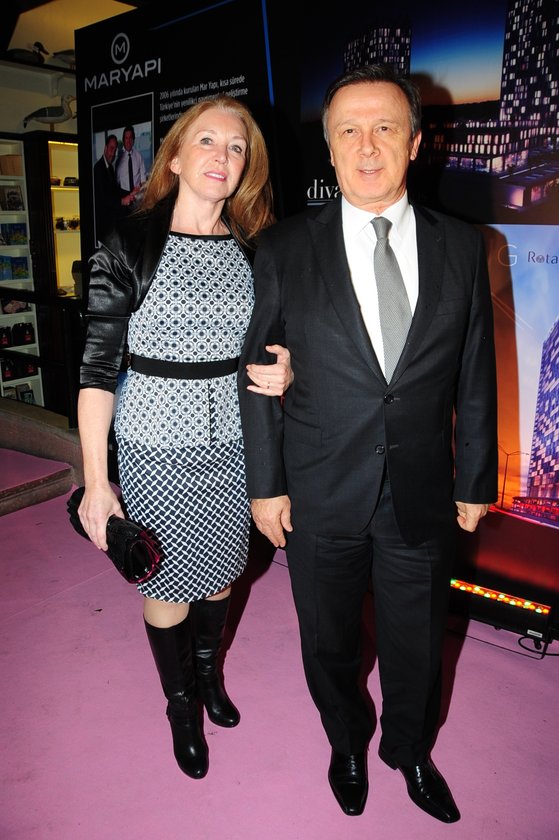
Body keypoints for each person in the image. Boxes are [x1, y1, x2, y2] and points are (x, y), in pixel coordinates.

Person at [238, 64, 497, 822]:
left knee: (417, 640)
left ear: (415, 141)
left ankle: (409, 751)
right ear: (328, 148)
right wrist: (266, 485)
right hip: (318, 486)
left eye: (385, 127)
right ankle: (346, 742)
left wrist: (475, 480)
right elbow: (257, 375)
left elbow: (475, 372)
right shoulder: (283, 247)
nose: (367, 145)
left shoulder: (463, 247)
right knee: (328, 640)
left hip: (421, 489)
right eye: (347, 130)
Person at [77, 95, 292, 780]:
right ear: (174, 156)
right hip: (155, 445)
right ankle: (180, 705)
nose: (221, 156)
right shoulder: (129, 244)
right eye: (207, 141)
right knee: (168, 580)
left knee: (224, 571)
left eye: (236, 147)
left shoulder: (257, 247)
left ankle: (208, 677)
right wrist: (96, 481)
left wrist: (287, 363)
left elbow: (280, 337)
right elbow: (96, 372)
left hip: (236, 443)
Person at [93, 134, 136, 241]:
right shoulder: (98, 169)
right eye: (111, 148)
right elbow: (103, 199)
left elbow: (116, 190)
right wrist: (122, 201)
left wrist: (130, 193)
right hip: (104, 225)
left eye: (115, 149)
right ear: (105, 148)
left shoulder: (110, 168)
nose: (113, 153)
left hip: (111, 221)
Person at [115, 124, 147, 206]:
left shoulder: (139, 156)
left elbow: (143, 179)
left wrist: (140, 188)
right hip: (124, 196)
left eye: (130, 138)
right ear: (123, 140)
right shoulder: (119, 159)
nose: (128, 141)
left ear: (133, 140)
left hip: (137, 195)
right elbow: (116, 182)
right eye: (126, 138)